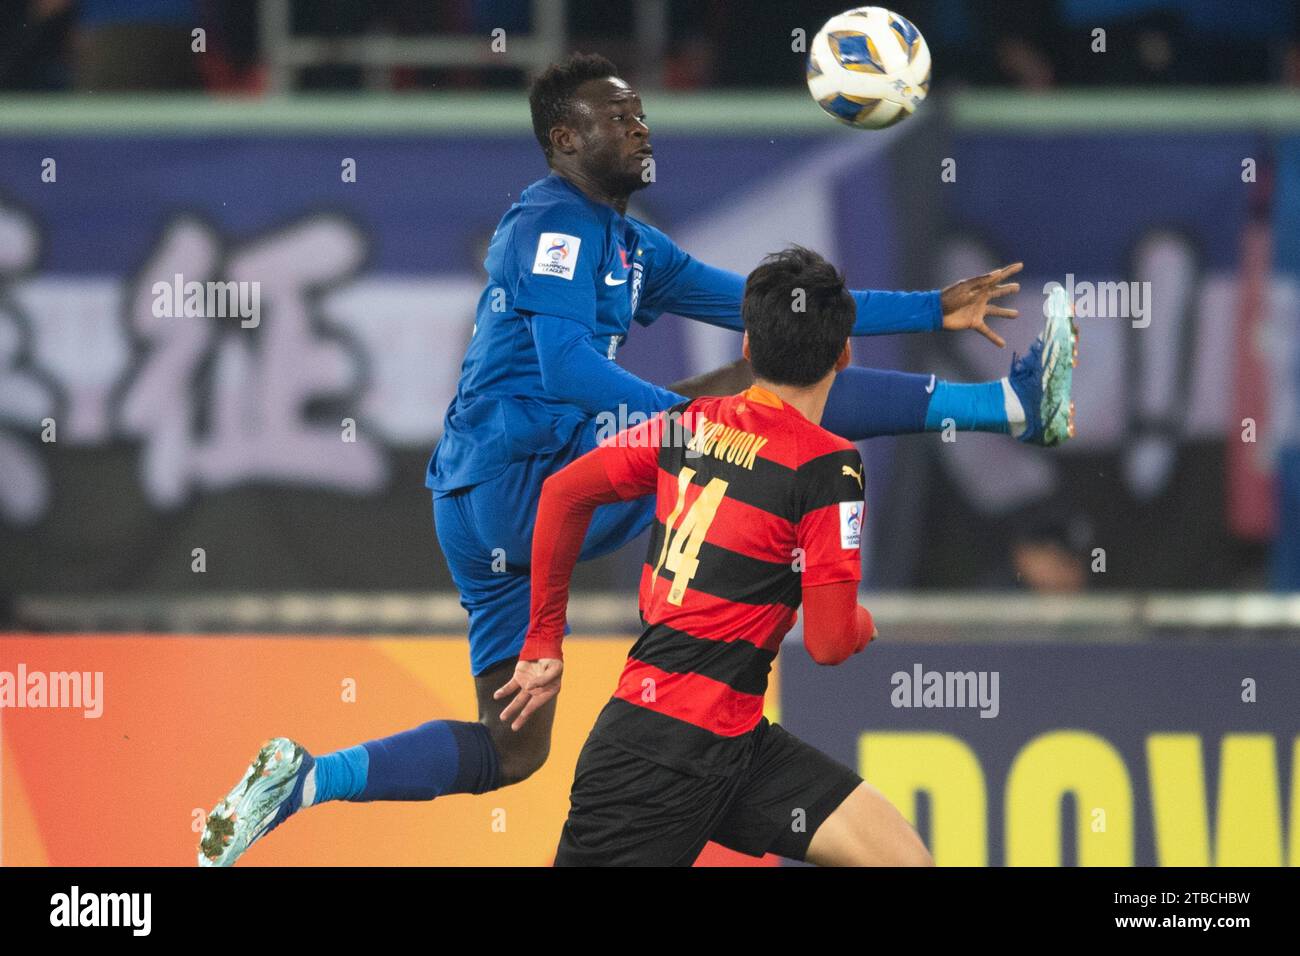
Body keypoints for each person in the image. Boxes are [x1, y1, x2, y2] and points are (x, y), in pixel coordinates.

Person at [197, 53, 1074, 866]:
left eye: (643, 114)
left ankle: (306, 779)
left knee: (512, 748)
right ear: (565, 141)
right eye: (620, 118)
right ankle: (1004, 407)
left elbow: (764, 308)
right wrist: (703, 436)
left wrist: (931, 309)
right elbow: (565, 367)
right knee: (773, 393)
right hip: (518, 479)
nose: (642, 128)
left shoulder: (628, 242)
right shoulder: (552, 222)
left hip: (484, 506)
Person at [500, 246, 932, 865]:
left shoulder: (689, 424)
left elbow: (564, 492)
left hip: (733, 739)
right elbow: (831, 642)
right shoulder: (829, 465)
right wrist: (864, 624)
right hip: (655, 759)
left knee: (901, 859)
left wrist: (543, 639)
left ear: (748, 349)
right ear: (844, 353)